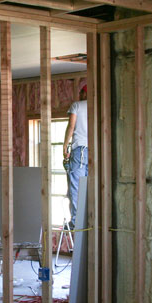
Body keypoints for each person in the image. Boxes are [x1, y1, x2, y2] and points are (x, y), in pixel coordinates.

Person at [63, 84, 88, 230]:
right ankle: (89, 219)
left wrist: (65, 146)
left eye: (80, 92)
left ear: (85, 93)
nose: (79, 94)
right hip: (95, 152)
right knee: (89, 186)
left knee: (75, 186)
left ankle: (76, 222)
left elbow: (71, 127)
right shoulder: (99, 107)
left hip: (80, 150)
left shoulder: (77, 105)